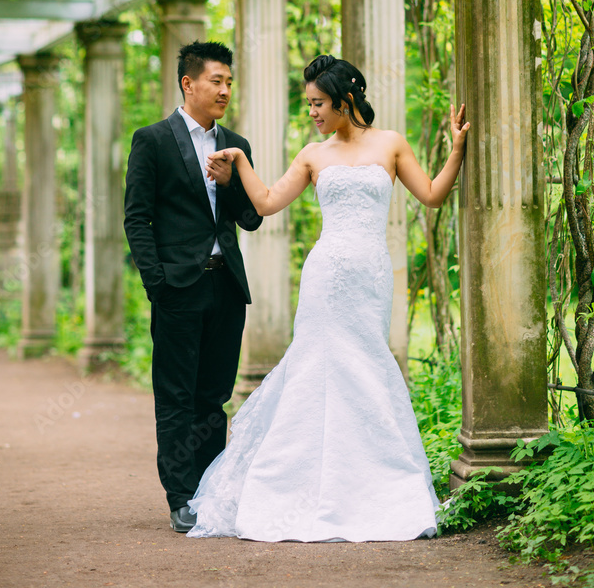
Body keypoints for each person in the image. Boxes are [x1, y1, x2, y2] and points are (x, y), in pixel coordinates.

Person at [188, 53, 470, 543]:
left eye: (318, 104)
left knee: (366, 368)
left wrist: (457, 150)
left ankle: (376, 489)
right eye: (309, 105)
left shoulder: (392, 144)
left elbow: (432, 195)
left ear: (345, 98)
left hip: (370, 277)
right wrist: (239, 161)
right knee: (316, 368)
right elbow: (267, 202)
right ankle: (292, 490)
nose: (313, 113)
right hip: (324, 278)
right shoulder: (313, 154)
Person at [123, 40, 263, 534]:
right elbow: (137, 218)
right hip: (178, 288)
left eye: (229, 81)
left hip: (226, 288)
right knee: (177, 396)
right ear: (189, 83)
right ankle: (180, 497)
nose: (225, 90)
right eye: (216, 81)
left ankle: (210, 491)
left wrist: (230, 182)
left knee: (215, 396)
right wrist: (157, 284)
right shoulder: (153, 140)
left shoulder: (237, 145)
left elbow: (251, 219)